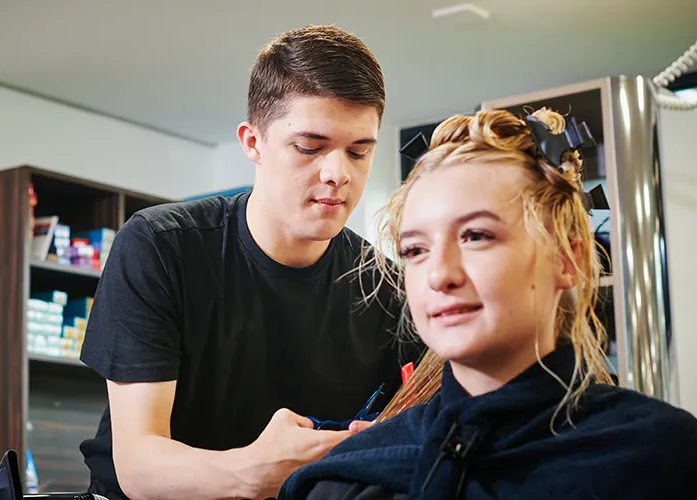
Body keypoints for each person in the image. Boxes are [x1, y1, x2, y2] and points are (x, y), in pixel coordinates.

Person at [77, 25, 425, 500]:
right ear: (253, 142)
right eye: (310, 147)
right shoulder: (160, 246)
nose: (338, 173)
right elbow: (139, 466)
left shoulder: (388, 288)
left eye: (359, 151)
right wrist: (257, 471)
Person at [278, 108, 697, 500]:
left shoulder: (662, 459)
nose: (440, 274)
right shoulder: (344, 479)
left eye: (476, 236)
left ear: (568, 261)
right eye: (415, 250)